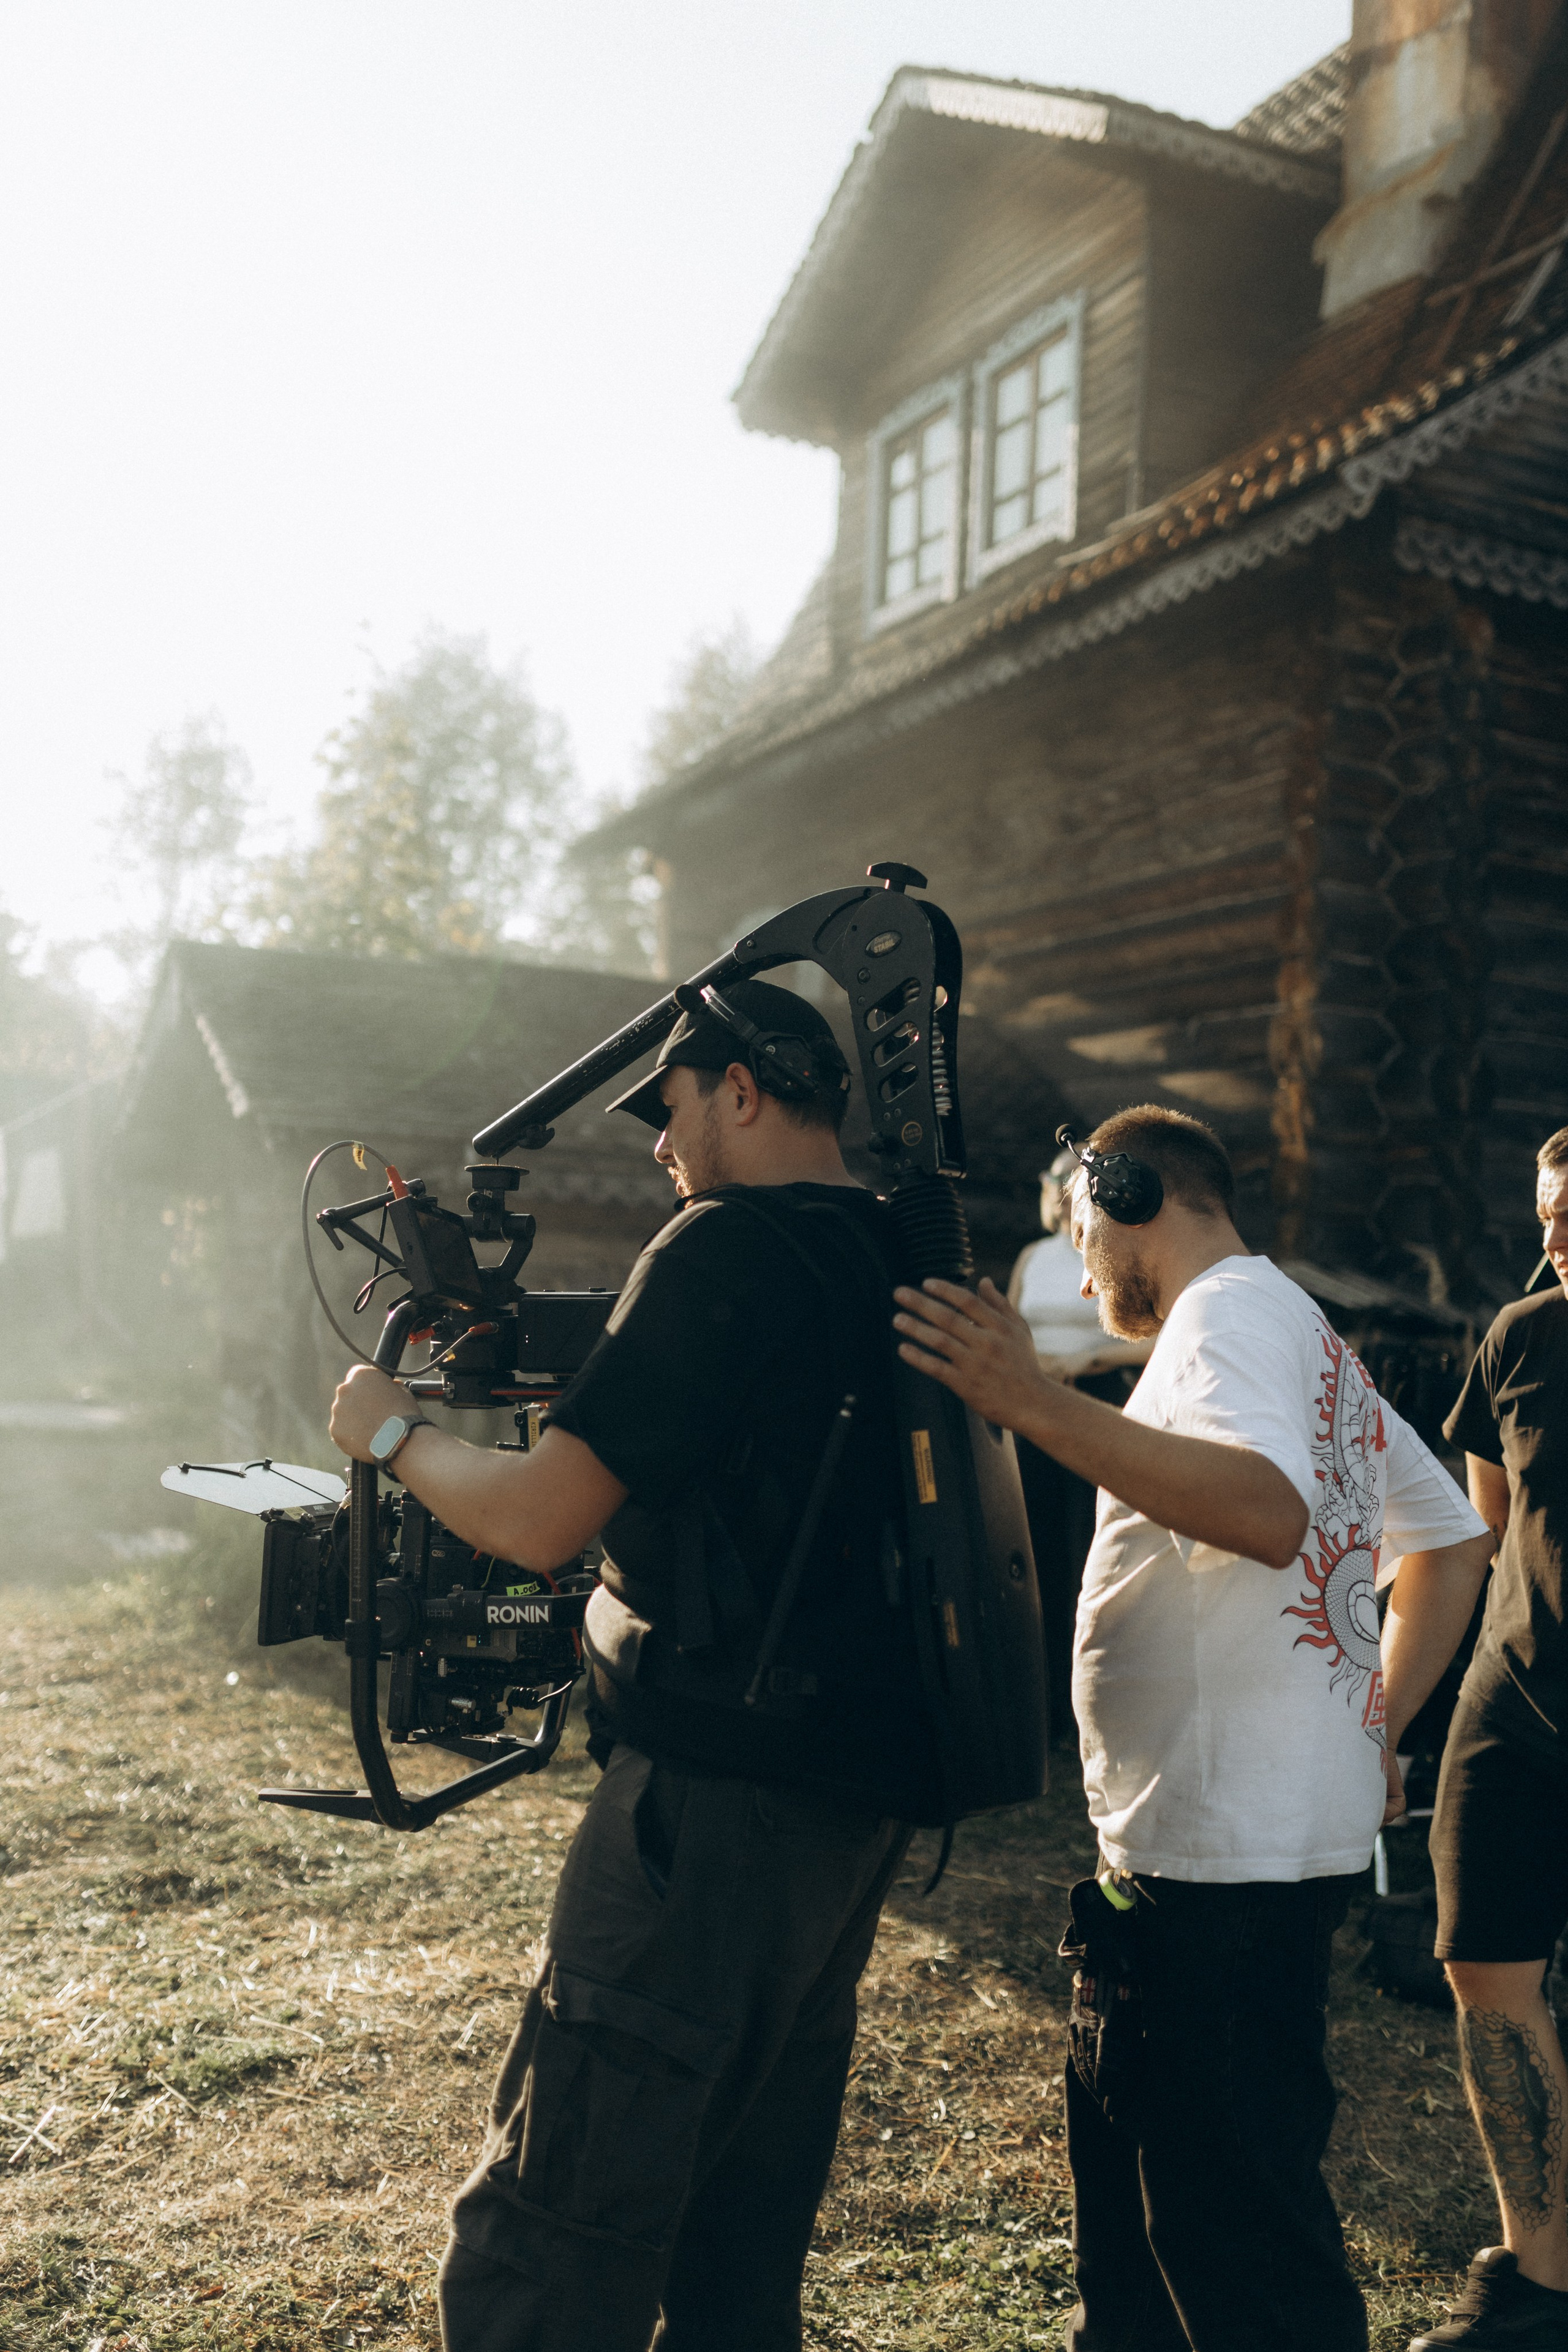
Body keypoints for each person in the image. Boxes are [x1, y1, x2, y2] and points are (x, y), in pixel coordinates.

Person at [328, 980, 938, 2352]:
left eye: (668, 1107)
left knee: (555, 2232)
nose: (659, 1146)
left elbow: (540, 1518)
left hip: (707, 1805)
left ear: (740, 1087)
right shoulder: (895, 1251)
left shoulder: (720, 1247)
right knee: (736, 2241)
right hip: (845, 1808)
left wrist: (388, 1435)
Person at [892, 1104, 1492, 2352]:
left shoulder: (1226, 1317)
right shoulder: (1294, 1331)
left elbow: (1267, 1510)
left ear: (1123, 1190)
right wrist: (1377, 1724)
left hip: (1225, 1862)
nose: (1077, 1261)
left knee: (1237, 2240)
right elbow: (1443, 1536)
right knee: (1148, 2233)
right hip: (1204, 1846)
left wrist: (1032, 1401)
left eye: (1077, 1230)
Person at [1393, 1126, 1568, 2351]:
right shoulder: (1518, 1335)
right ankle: (1538, 2284)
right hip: (1510, 1704)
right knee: (1481, 1971)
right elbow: (1485, 1526)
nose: (1551, 1241)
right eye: (1545, 1214)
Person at [1008, 1145, 1152, 1742]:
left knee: (1093, 1546)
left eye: (1065, 1177)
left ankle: (1096, 1704)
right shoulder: (1031, 1256)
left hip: (1099, 1397)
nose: (1054, 1183)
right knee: (1034, 1548)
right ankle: (1039, 1704)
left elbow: (1154, 1337)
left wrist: (1090, 1358)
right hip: (1031, 1409)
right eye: (1049, 1176)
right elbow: (1014, 1326)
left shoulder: (1112, 1251)